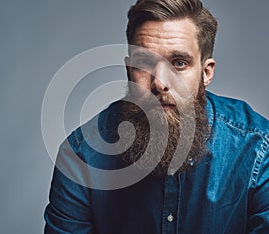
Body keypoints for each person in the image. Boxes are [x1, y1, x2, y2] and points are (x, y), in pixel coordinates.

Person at [44, 0, 269, 233]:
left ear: (205, 73)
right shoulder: (81, 156)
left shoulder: (258, 151)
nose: (160, 83)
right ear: (128, 70)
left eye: (179, 63)